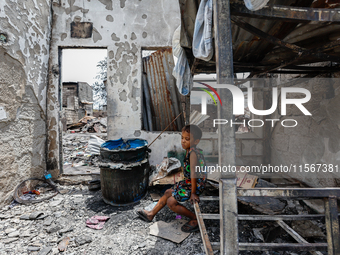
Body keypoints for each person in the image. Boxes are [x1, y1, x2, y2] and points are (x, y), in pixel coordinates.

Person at [137, 124, 206, 232]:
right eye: (182, 138)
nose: (183, 141)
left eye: (187, 139)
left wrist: (193, 193)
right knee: (168, 192)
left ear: (196, 141)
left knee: (171, 202)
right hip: (189, 183)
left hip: (195, 186)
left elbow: (194, 173)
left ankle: (195, 218)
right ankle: (151, 214)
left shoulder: (193, 153)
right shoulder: (189, 150)